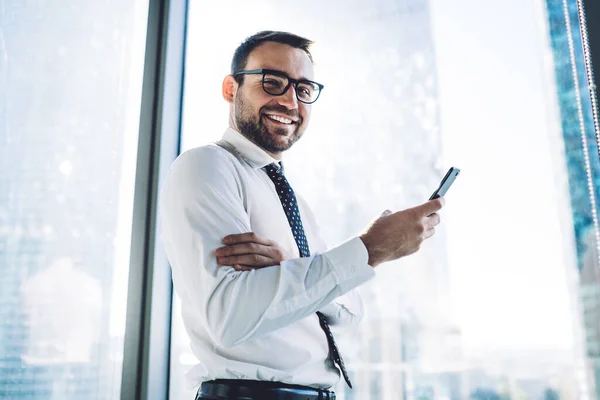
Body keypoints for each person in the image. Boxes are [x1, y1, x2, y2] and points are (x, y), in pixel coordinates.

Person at [159, 30, 444, 400]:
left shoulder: (292, 200)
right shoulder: (207, 165)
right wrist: (369, 249)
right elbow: (227, 316)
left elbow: (350, 314)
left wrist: (292, 263)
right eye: (273, 83)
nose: (290, 101)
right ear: (231, 89)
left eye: (304, 89)